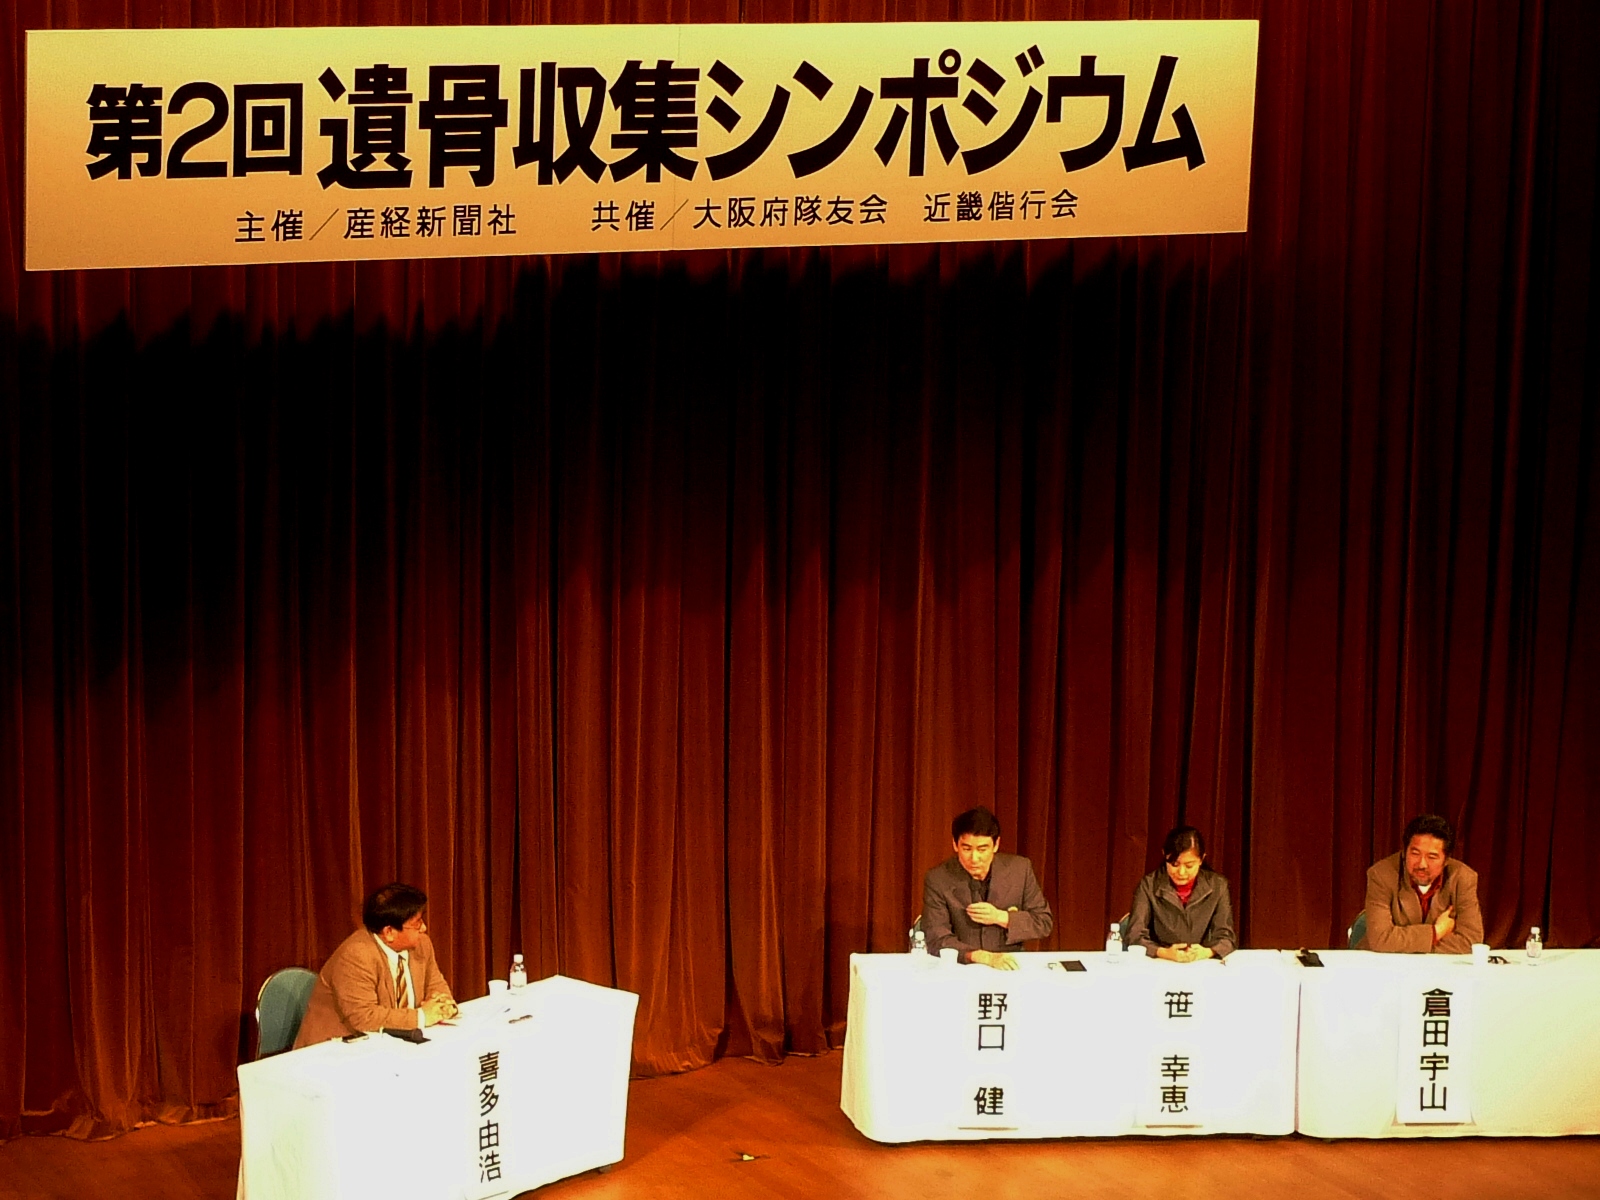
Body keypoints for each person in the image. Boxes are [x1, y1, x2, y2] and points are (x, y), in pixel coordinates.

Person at [293, 882, 459, 1048]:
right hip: (335, 1048)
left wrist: (443, 1005)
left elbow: (436, 984)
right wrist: (421, 1016)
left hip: (394, 1044)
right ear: (389, 932)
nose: (424, 928)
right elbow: (364, 1017)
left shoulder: (421, 944)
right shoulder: (356, 955)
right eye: (416, 923)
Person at [922, 807, 1054, 970]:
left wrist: (1001, 917)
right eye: (967, 849)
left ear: (996, 845)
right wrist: (982, 957)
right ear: (955, 845)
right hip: (962, 966)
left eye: (982, 849)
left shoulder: (1020, 870)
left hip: (1009, 964)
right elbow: (937, 937)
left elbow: (1043, 922)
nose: (974, 858)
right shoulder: (938, 879)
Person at [1363, 814, 1482, 954]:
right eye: (1415, 853)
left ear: (1446, 860)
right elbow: (1380, 940)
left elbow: (1471, 941)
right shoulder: (1381, 874)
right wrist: (1436, 932)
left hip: (1438, 964)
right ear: (1404, 852)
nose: (1422, 864)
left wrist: (1410, 945)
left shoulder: (1463, 878)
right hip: (1384, 962)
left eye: (1432, 857)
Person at [1126, 826, 1236, 961]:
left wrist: (1207, 952)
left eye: (1189, 866)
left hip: (1201, 962)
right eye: (1174, 864)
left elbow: (1226, 937)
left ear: (1201, 859)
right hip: (1160, 961)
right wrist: (1163, 952)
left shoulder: (1218, 886)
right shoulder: (1148, 885)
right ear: (1164, 855)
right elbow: (1134, 935)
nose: (1181, 872)